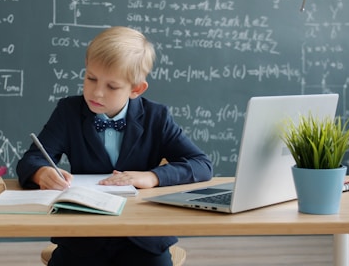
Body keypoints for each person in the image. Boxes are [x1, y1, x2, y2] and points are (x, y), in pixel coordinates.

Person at [16, 26, 213, 266]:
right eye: (91, 78)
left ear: (136, 89)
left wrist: (152, 177)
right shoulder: (68, 112)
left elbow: (201, 164)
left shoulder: (156, 117)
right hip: (83, 238)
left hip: (143, 237)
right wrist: (42, 173)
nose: (96, 92)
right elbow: (31, 160)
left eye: (112, 86)